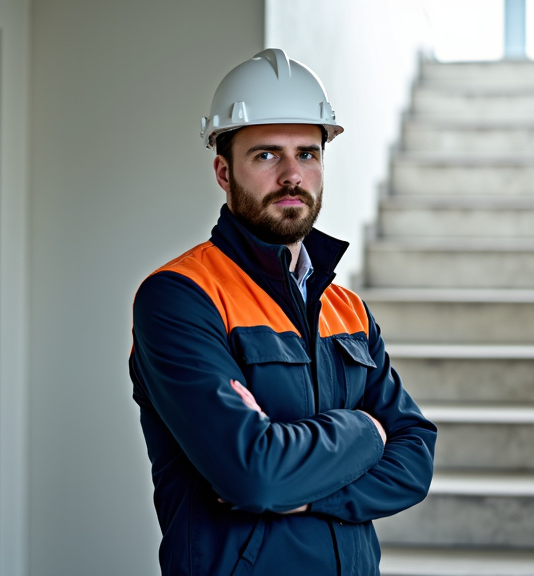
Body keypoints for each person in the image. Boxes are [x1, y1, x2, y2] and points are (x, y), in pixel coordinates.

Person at [129, 48, 437, 575]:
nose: (293, 175)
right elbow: (256, 476)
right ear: (224, 172)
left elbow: (414, 462)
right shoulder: (181, 297)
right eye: (267, 155)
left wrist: (311, 495)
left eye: (308, 153)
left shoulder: (348, 310)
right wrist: (367, 430)